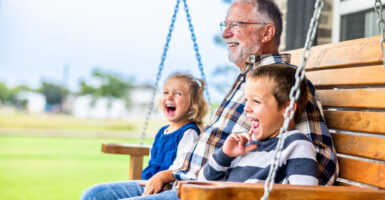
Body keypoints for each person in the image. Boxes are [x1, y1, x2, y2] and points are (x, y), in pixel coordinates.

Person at [80, 0, 338, 199]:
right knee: (95, 195)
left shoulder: (285, 83)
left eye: (236, 25)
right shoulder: (248, 81)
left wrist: (250, 188)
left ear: (266, 32)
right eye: (224, 26)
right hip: (183, 180)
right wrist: (172, 173)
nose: (226, 34)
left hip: (205, 192)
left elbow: (319, 162)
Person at [80, 73, 208, 200]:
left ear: (192, 104)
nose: (170, 97)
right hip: (149, 184)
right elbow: (153, 160)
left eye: (178, 93)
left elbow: (183, 168)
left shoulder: (189, 133)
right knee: (92, 194)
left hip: (169, 187)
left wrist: (162, 177)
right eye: (166, 92)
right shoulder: (163, 131)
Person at [198, 64, 318, 185]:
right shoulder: (245, 145)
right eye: (246, 100)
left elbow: (305, 194)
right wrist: (224, 156)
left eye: (256, 101)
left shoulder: (296, 144)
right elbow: (202, 184)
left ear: (288, 109)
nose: (246, 108)